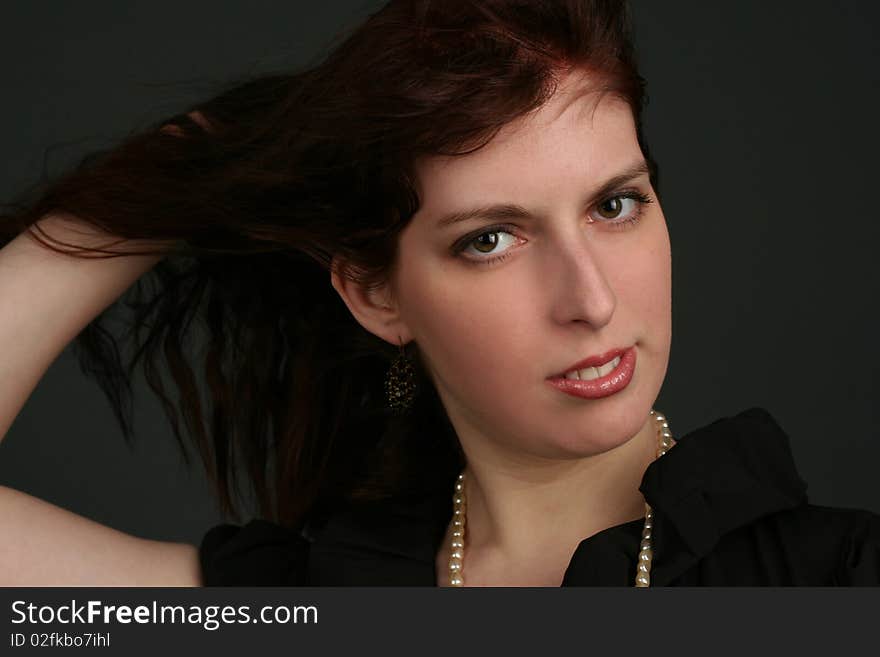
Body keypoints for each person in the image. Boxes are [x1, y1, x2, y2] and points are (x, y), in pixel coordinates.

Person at [0, 0, 878, 587]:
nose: (592, 301)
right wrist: (188, 165)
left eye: (615, 204)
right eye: (490, 239)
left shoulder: (839, 577)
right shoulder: (307, 600)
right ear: (377, 294)